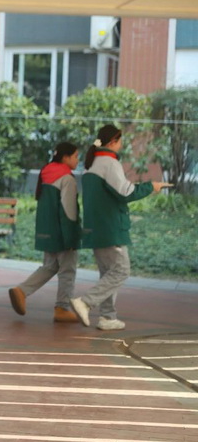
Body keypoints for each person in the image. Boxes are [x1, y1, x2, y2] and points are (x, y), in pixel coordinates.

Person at [70, 124, 171, 330]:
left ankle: (107, 317)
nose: (122, 144)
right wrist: (151, 187)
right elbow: (125, 192)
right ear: (113, 141)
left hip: (96, 228)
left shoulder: (91, 164)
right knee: (121, 271)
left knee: (108, 273)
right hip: (110, 228)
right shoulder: (109, 162)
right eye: (120, 140)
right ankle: (85, 302)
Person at [8, 142, 81, 322]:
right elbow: (69, 211)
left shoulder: (46, 172)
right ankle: (62, 308)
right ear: (65, 157)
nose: (78, 160)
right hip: (63, 233)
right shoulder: (67, 178)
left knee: (50, 266)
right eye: (75, 156)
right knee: (68, 270)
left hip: (47, 230)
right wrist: (72, 237)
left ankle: (21, 291)